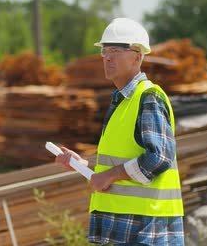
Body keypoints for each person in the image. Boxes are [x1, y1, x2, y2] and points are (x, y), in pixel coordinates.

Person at [55, 18, 184, 245]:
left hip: (147, 231)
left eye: (115, 50)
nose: (107, 57)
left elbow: (159, 157)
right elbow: (120, 162)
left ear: (137, 56)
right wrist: (85, 166)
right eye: (105, 51)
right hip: (123, 230)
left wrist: (110, 175)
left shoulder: (148, 97)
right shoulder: (122, 101)